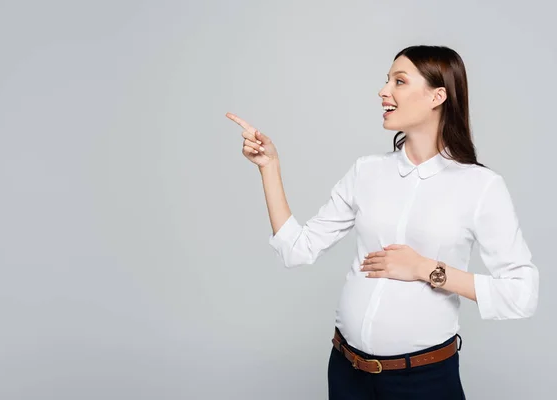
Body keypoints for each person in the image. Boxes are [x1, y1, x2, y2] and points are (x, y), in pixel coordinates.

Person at [225, 45, 539, 400]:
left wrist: (426, 268)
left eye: (399, 81)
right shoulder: (367, 171)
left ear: (438, 96)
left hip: (423, 381)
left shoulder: (481, 186)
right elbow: (297, 250)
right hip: (347, 373)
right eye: (387, 80)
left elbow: (521, 294)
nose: (383, 91)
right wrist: (270, 168)